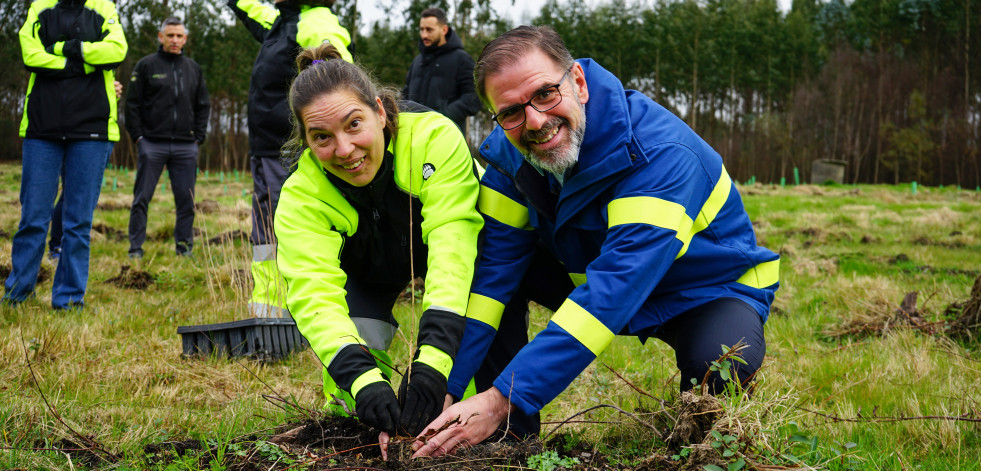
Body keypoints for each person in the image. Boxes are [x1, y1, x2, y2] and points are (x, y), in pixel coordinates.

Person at [410, 26, 780, 458]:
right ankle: (511, 442)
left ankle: (710, 449)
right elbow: (491, 280)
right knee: (496, 278)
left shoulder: (661, 154)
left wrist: (501, 397)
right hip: (589, 271)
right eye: (510, 113)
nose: (535, 122)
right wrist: (443, 389)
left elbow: (613, 290)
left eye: (546, 93)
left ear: (578, 83)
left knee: (719, 366)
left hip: (704, 290)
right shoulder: (507, 159)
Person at [274, 43, 483, 441]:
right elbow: (313, 292)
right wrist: (362, 380)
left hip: (461, 254)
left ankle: (461, 432)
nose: (344, 150)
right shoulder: (302, 195)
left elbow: (453, 248)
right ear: (306, 140)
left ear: (380, 111)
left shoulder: (434, 138)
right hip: (369, 267)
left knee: (465, 364)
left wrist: (434, 364)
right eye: (321, 137)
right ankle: (364, 437)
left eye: (354, 124)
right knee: (356, 400)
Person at [227, 0, 353, 317]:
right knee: (267, 227)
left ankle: (287, 307)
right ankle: (269, 303)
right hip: (266, 147)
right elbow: (248, 7)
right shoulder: (281, 23)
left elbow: (345, 80)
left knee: (284, 227)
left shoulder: (315, 23)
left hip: (290, 150)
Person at [3, 0, 127, 310]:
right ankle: (17, 295)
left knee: (78, 223)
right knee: (32, 218)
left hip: (92, 129)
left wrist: (63, 49)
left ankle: (69, 301)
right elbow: (31, 55)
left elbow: (116, 50)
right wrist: (84, 63)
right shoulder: (39, 8)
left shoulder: (104, 8)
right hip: (42, 129)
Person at [125, 17, 211, 259]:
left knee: (186, 202)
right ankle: (135, 249)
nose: (175, 40)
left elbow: (203, 105)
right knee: (142, 198)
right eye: (170, 35)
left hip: (186, 146)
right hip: (152, 143)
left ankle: (184, 249)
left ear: (185, 39)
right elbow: (132, 105)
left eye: (179, 36)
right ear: (161, 36)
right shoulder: (146, 66)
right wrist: (139, 137)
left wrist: (198, 138)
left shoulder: (193, 68)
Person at [402, 7, 481, 133]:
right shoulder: (417, 61)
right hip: (414, 136)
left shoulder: (462, 59)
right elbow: (405, 94)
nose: (424, 35)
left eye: (429, 30)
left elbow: (473, 98)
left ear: (444, 29)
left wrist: (443, 117)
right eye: (421, 29)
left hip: (446, 136)